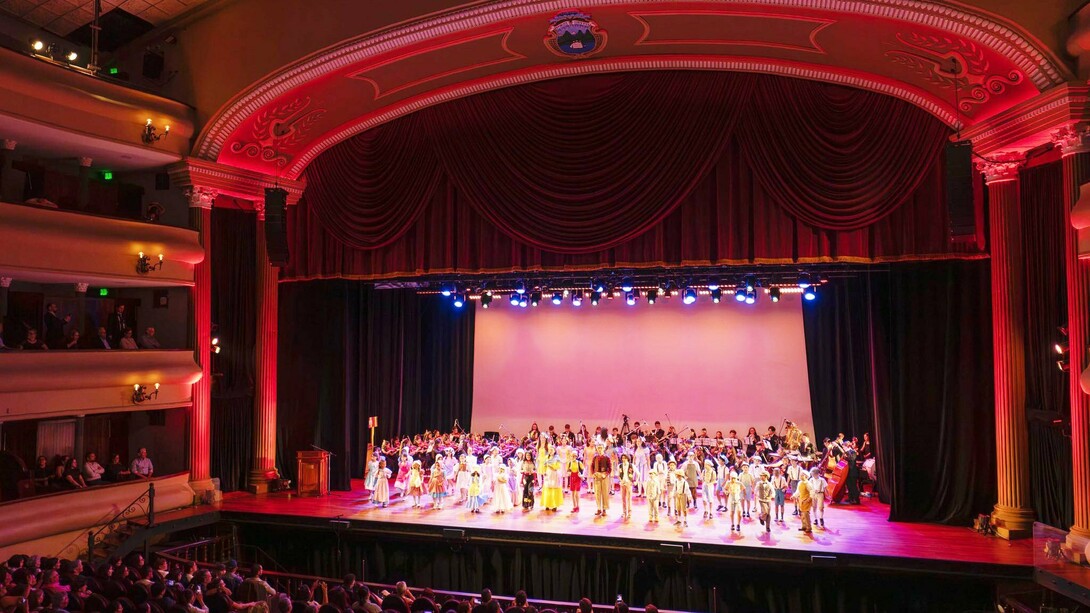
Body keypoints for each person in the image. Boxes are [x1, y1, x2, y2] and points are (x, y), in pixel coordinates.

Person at [591, 445, 611, 517]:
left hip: (604, 476)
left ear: (603, 449)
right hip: (597, 476)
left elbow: (609, 468)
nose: (599, 449)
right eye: (598, 448)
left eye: (601, 448)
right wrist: (593, 474)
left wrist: (605, 474)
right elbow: (592, 466)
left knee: (605, 493)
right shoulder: (595, 458)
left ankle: (604, 509)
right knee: (597, 493)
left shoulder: (606, 458)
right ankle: (599, 508)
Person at [617, 454, 634, 519]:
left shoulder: (631, 465)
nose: (623, 459)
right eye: (622, 458)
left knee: (629, 498)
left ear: (627, 458)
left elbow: (638, 474)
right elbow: (618, 474)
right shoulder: (620, 466)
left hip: (628, 483)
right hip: (622, 483)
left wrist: (634, 481)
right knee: (623, 499)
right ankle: (624, 512)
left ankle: (629, 512)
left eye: (625, 458)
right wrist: (620, 481)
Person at [645, 457, 661, 523]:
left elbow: (658, 490)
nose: (651, 475)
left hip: (655, 497)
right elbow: (646, 488)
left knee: (655, 507)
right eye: (650, 474)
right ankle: (650, 516)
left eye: (652, 474)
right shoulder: (648, 481)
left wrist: (657, 496)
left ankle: (656, 516)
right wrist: (647, 495)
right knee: (650, 507)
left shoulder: (657, 481)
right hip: (649, 496)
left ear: (655, 474)